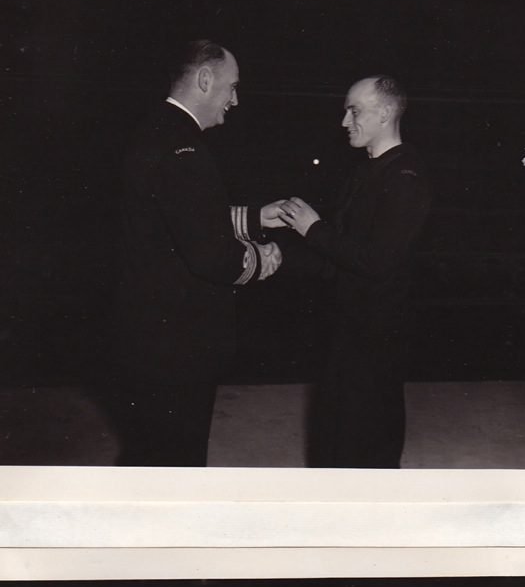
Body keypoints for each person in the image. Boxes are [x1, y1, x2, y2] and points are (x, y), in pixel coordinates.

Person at [114, 39, 287, 466]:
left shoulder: (154, 130)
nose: (235, 100)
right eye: (233, 87)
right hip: (179, 343)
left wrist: (256, 217)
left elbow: (180, 221)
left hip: (147, 333)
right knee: (177, 460)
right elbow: (210, 253)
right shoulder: (185, 149)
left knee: (151, 453)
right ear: (206, 80)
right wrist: (261, 260)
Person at [277, 75, 432, 469]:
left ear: (385, 113)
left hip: (377, 334)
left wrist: (313, 229)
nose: (345, 121)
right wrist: (275, 256)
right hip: (348, 326)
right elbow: (340, 255)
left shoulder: (406, 177)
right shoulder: (366, 170)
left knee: (366, 440)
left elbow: (378, 260)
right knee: (335, 433)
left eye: (354, 111)